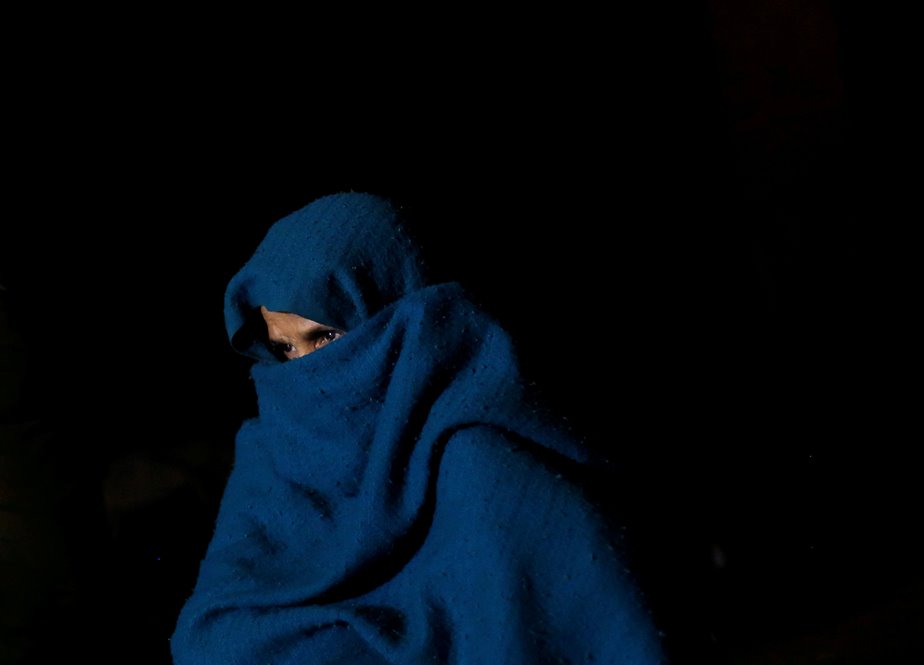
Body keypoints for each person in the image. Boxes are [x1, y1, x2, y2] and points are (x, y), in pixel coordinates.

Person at [171, 192, 669, 664]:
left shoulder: (486, 467)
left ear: (406, 320)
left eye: (325, 335)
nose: (303, 369)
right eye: (284, 348)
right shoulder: (272, 462)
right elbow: (210, 636)